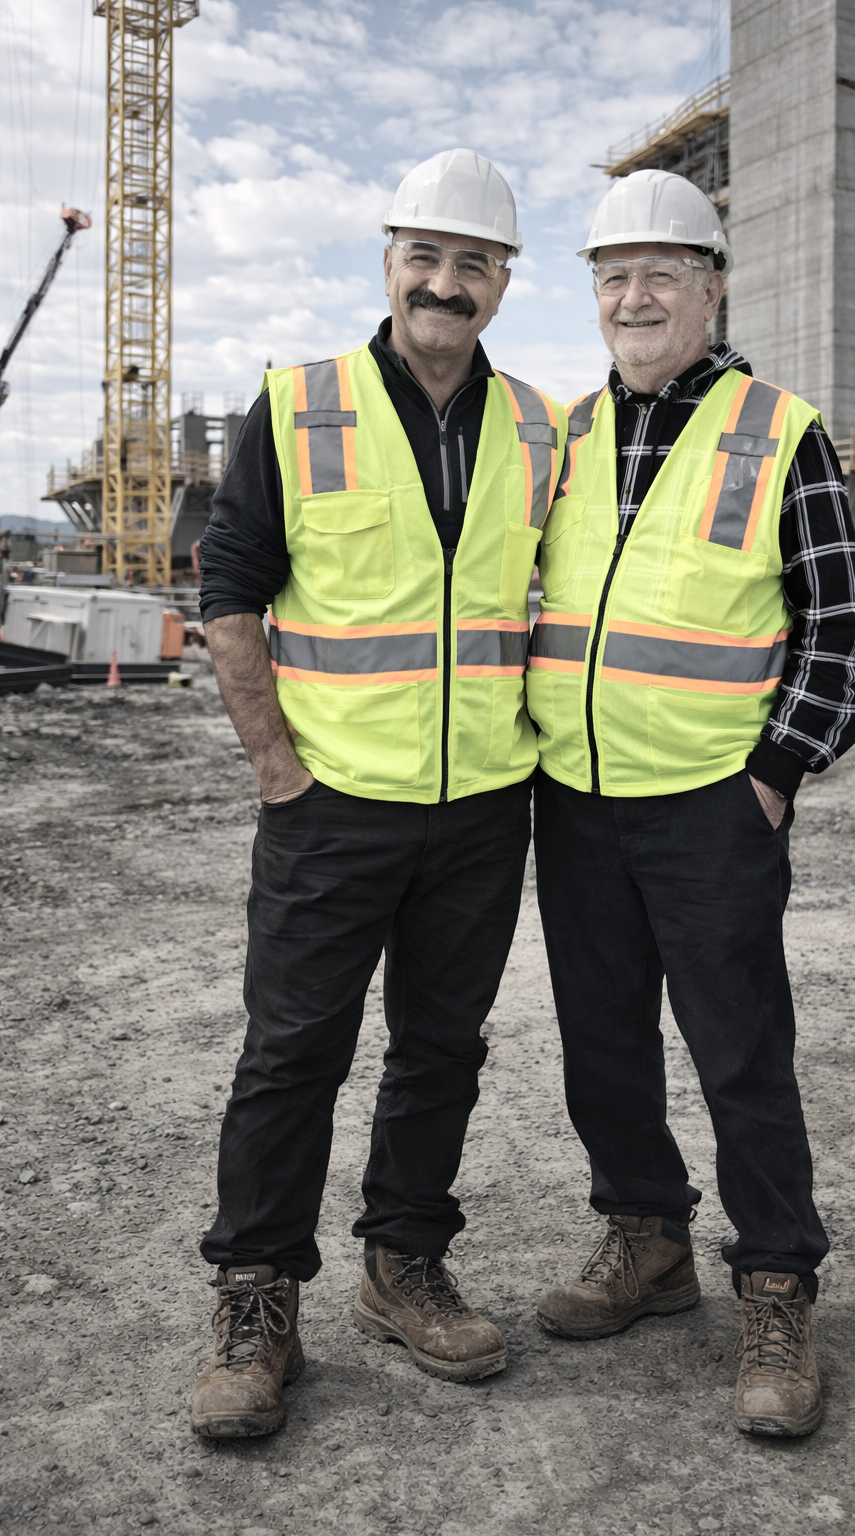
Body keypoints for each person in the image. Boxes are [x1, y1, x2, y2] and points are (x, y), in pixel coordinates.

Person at [192, 148, 566, 1438]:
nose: (445, 282)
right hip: (333, 804)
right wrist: (275, 771)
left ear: (504, 283)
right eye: (427, 255)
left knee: (441, 1051)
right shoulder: (296, 406)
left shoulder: (538, 427)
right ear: (388, 258)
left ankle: (401, 1264)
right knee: (292, 1052)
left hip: (479, 811)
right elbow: (228, 590)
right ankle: (254, 1301)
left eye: (474, 263)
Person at [528, 169, 855, 1438]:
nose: (633, 296)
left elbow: (839, 624)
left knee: (739, 1056)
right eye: (612, 275)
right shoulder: (563, 438)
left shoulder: (781, 428)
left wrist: (777, 773)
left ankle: (777, 1283)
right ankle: (647, 1241)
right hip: (575, 798)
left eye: (660, 273)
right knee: (601, 1047)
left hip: (712, 807)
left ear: (710, 288)